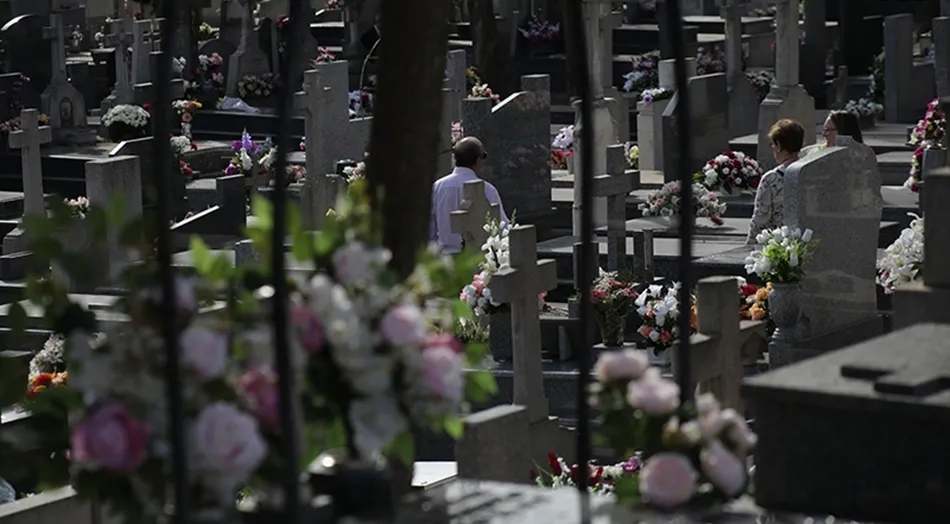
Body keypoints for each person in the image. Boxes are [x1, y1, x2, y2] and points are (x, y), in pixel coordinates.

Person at [431, 136, 509, 253]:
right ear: (478, 161)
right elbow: (502, 227)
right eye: (483, 156)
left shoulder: (437, 187)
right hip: (478, 258)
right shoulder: (487, 190)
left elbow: (430, 228)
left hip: (445, 259)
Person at [746, 119, 804, 245]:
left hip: (777, 248)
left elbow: (760, 218)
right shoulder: (810, 174)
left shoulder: (771, 179)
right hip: (805, 243)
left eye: (772, 145)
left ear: (778, 145)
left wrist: (749, 245)